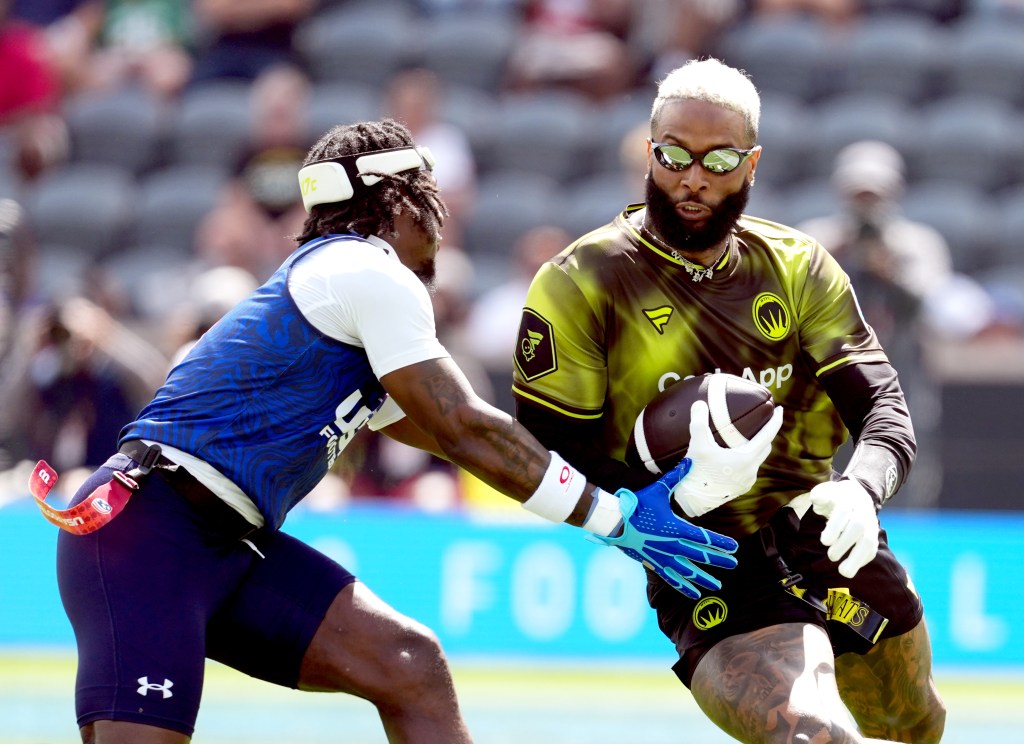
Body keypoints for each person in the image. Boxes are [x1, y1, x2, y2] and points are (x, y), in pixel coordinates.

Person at [45, 118, 774, 743]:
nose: (440, 218)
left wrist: (610, 473)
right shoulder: (368, 272)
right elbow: (465, 429)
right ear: (396, 202)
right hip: (151, 533)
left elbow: (470, 435)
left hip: (220, 540)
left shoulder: (344, 288)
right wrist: (613, 518)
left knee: (408, 664)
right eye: (429, 199)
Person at [511, 59, 945, 743]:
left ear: (752, 164)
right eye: (675, 155)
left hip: (826, 532)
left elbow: (884, 406)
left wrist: (862, 489)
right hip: (702, 556)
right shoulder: (582, 282)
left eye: (719, 160)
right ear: (650, 152)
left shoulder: (799, 267)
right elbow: (538, 448)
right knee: (811, 734)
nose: (693, 178)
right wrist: (636, 509)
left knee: (913, 721)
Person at [798, 140, 980, 509]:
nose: (866, 205)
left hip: (901, 379)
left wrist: (891, 271)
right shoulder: (817, 240)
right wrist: (834, 258)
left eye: (874, 195)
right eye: (858, 195)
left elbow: (937, 308)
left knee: (903, 476)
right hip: (829, 387)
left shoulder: (917, 244)